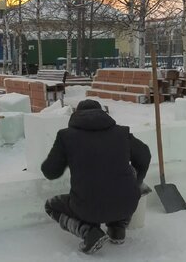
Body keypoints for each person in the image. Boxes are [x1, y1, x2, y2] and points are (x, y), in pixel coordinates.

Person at [41, 99, 151, 254]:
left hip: (87, 208)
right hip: (127, 205)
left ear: (76, 115)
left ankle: (89, 232)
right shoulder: (122, 133)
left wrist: (66, 156)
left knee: (51, 206)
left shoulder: (66, 136)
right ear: (103, 114)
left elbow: (50, 172)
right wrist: (137, 182)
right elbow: (144, 156)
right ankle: (117, 229)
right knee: (125, 182)